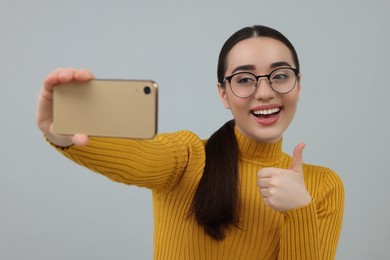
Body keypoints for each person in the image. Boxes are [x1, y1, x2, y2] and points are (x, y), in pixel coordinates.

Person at [36, 25, 344, 259]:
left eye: (280, 75)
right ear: (223, 94)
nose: (264, 92)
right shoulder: (188, 156)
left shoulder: (322, 186)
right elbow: (139, 155)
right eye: (244, 79)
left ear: (298, 85)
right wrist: (61, 132)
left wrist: (300, 210)